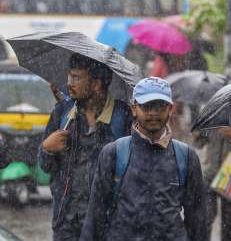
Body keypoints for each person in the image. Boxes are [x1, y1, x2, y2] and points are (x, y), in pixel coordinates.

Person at [80, 77, 207, 241]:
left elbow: (197, 221)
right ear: (134, 108)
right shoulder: (113, 153)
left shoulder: (186, 157)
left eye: (159, 106)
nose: (153, 113)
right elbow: (95, 217)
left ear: (170, 108)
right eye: (146, 106)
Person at [38, 53, 133, 241]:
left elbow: (133, 170)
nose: (69, 83)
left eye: (77, 77)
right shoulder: (63, 113)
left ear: (97, 84)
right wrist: (46, 149)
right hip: (66, 221)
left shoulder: (122, 117)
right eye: (69, 76)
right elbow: (45, 166)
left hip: (107, 223)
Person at [194, 125, 231, 241]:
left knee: (229, 222)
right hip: (210, 175)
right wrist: (197, 135)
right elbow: (199, 144)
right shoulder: (213, 120)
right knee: (206, 217)